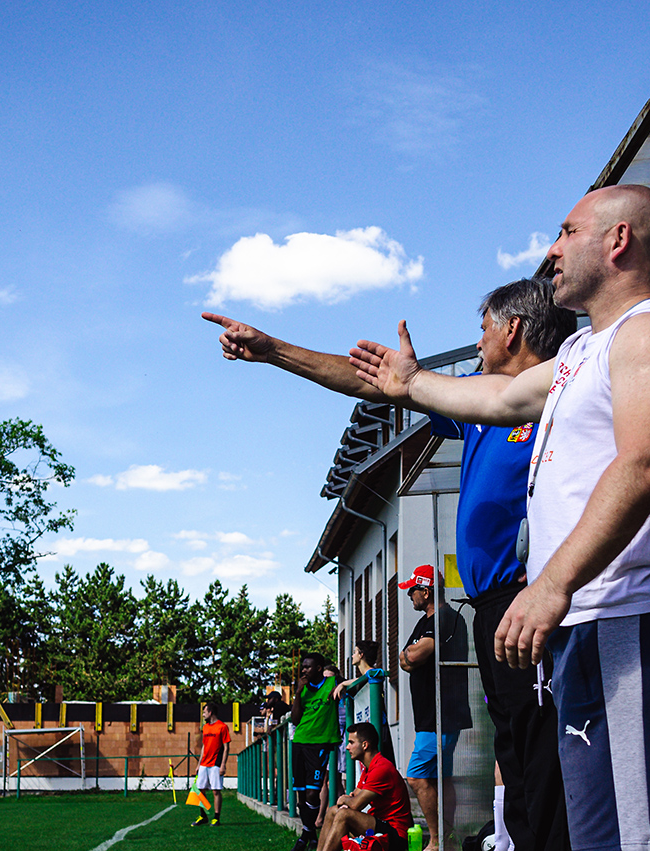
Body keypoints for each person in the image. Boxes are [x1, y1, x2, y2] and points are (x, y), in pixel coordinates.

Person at [350, 184, 650, 851]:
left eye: (567, 232)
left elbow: (642, 465)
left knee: (628, 840)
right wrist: (408, 383)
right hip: (588, 623)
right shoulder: (579, 354)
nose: (551, 251)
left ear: (618, 239)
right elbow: (493, 395)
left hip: (629, 617)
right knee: (593, 836)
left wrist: (548, 584)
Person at [204, 276, 577, 850]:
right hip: (491, 610)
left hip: (531, 601)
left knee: (546, 759)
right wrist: (273, 350)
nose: (476, 344)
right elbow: (373, 383)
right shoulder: (482, 401)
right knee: (517, 759)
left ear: (514, 329)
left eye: (483, 330)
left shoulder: (564, 396)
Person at [398, 563, 472, 851]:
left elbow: (415, 654)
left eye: (412, 590)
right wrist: (409, 656)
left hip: (442, 716)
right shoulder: (425, 622)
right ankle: (447, 838)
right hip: (430, 717)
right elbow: (404, 660)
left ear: (426, 591)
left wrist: (409, 655)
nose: (409, 596)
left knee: (416, 777)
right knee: (441, 778)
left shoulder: (445, 618)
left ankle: (438, 840)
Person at [317, 722, 414, 851]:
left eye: (351, 742)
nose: (347, 747)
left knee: (344, 815)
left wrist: (346, 800)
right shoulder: (369, 768)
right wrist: (348, 800)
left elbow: (356, 804)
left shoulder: (381, 768)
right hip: (379, 825)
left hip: (397, 836)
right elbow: (355, 795)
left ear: (364, 745)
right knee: (333, 811)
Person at [292, 652, 342, 851]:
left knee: (314, 792)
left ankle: (305, 834)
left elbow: (356, 680)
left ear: (319, 668)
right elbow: (295, 720)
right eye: (303, 667)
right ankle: (310, 835)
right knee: (302, 795)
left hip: (321, 744)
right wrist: (297, 692)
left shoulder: (332, 683)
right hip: (300, 742)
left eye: (308, 667)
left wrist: (344, 685)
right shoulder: (303, 689)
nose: (304, 670)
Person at [193, 702, 232, 826]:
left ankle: (216, 818)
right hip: (204, 763)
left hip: (216, 763)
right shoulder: (205, 728)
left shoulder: (222, 727)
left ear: (210, 712)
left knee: (216, 791)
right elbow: (204, 746)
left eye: (204, 712)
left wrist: (223, 764)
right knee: (200, 790)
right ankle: (203, 816)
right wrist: (199, 764)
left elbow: (226, 748)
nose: (203, 715)